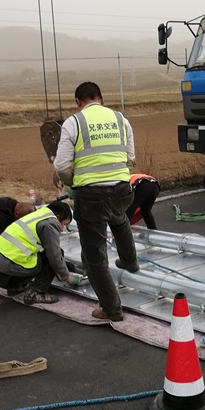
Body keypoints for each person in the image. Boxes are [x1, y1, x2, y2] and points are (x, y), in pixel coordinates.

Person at [53, 81, 138, 322]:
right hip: (122, 188)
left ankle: (111, 309)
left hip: (91, 196)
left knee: (94, 257)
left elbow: (62, 166)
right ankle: (130, 261)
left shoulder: (74, 122)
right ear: (102, 99)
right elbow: (130, 157)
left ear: (78, 103)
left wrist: (72, 182)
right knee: (119, 219)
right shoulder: (121, 119)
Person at [0, 200, 81, 305]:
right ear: (57, 217)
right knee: (55, 255)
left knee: (40, 254)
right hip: (6, 275)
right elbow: (54, 256)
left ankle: (16, 287)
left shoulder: (36, 215)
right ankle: (36, 293)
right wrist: (67, 277)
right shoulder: (50, 223)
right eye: (64, 224)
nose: (62, 228)